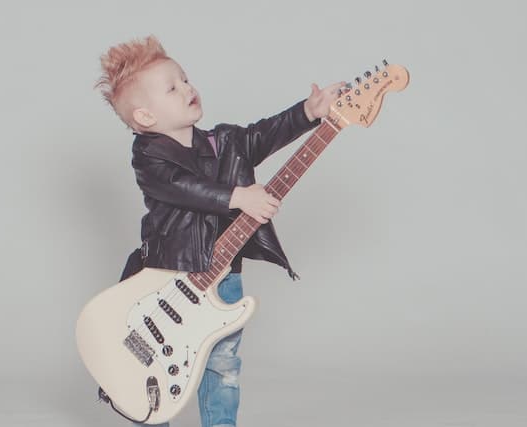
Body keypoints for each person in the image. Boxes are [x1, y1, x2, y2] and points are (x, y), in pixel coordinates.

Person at [95, 34, 344, 427]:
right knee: (159, 366)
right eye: (172, 88)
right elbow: (179, 185)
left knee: (223, 365)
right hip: (167, 280)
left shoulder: (225, 141)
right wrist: (238, 197)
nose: (187, 88)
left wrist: (308, 112)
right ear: (145, 117)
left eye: (186, 79)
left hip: (224, 277)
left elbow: (264, 134)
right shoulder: (148, 156)